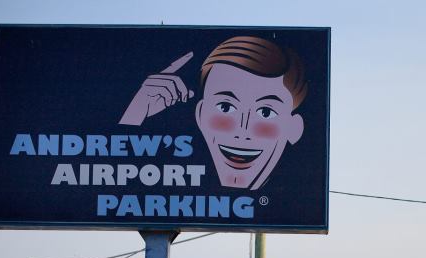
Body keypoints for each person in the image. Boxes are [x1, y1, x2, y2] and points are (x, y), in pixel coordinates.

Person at [120, 36, 307, 190]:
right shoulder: (186, 186)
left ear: (294, 128)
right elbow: (115, 174)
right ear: (200, 115)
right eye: (225, 107)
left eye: (265, 112)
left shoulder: (293, 203)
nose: (242, 130)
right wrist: (135, 115)